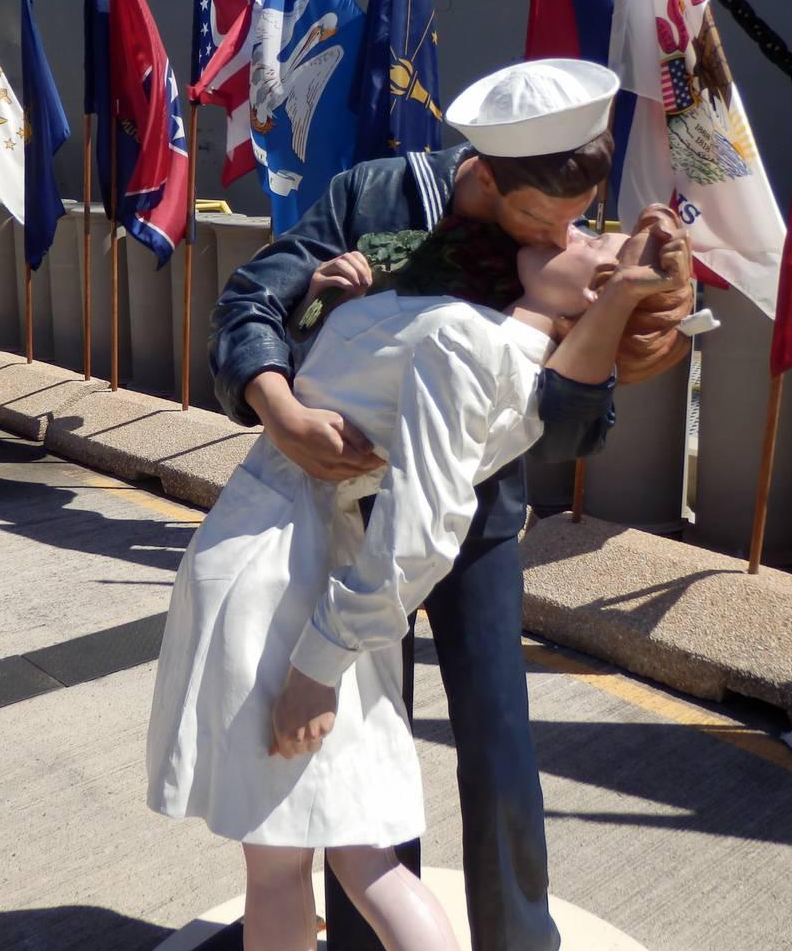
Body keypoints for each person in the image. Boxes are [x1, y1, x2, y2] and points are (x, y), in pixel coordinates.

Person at [148, 209, 692, 950]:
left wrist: (315, 668)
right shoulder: (503, 354)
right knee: (356, 854)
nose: (565, 232)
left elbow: (420, 531)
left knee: (284, 864)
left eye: (591, 239)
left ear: (595, 291)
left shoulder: (464, 339)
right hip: (307, 567)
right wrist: (328, 303)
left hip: (280, 568)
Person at [206, 59, 636, 950]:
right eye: (542, 221)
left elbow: (573, 429)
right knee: (359, 734)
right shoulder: (374, 194)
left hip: (478, 518)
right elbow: (252, 299)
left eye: (578, 219)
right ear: (487, 178)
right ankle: (368, 938)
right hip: (343, 512)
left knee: (498, 731)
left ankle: (519, 938)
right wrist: (280, 408)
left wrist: (596, 334)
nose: (563, 236)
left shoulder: (559, 242)